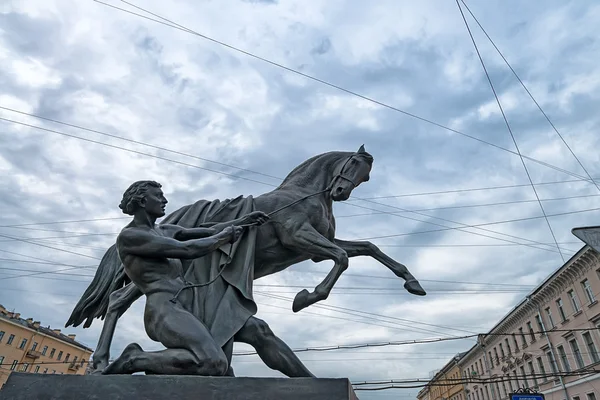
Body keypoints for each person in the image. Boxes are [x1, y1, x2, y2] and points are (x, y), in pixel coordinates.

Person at [103, 180, 267, 375]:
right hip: (163, 309)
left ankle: (144, 361)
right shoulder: (131, 236)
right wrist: (223, 238)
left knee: (217, 365)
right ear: (142, 201)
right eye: (158, 196)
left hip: (183, 306)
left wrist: (244, 220)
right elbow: (187, 249)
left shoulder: (166, 230)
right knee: (213, 363)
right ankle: (135, 360)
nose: (164, 200)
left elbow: (210, 231)